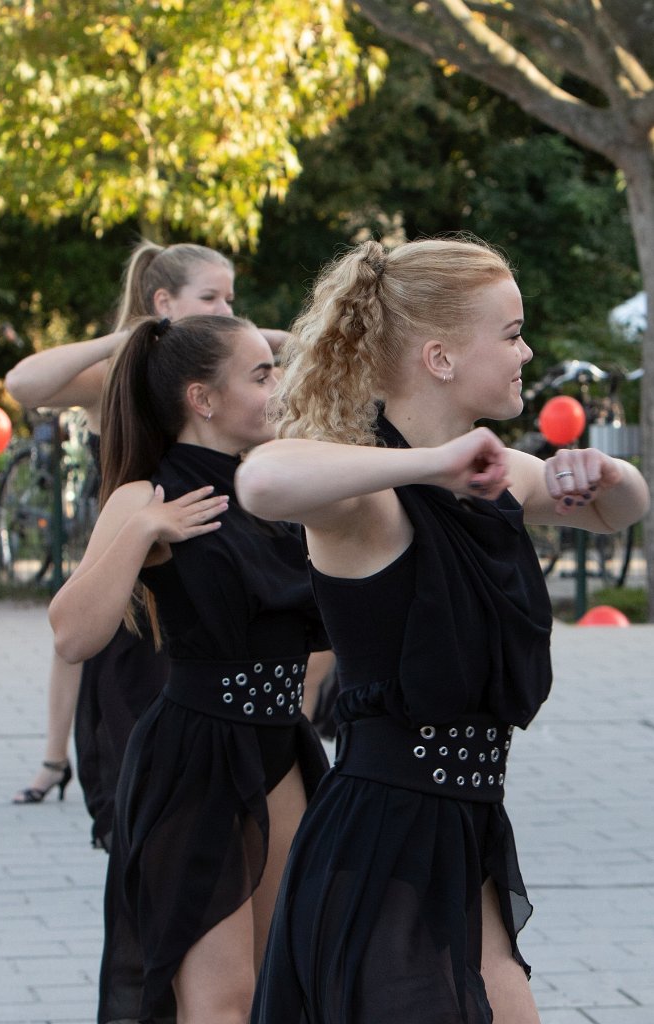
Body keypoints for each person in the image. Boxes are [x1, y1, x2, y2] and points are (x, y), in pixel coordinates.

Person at [235, 236, 650, 1024]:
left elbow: (617, 511)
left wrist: (605, 472)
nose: (526, 349)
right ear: (439, 358)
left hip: (465, 831)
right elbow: (260, 480)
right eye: (510, 332)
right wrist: (427, 466)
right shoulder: (369, 499)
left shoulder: (491, 477)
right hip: (383, 842)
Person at [48, 312, 331, 1023]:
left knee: (283, 985)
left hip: (280, 749)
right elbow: (72, 633)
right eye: (261, 373)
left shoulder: (273, 489)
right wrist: (142, 530)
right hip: (196, 758)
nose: (279, 386)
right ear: (203, 399)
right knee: (219, 1001)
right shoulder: (145, 496)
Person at [6, 239, 292, 841]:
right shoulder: (125, 375)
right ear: (164, 301)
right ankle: (62, 761)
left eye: (229, 298)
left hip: (257, 699)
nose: (221, 307)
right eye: (209, 296)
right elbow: (24, 383)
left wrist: (247, 339)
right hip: (147, 565)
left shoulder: (245, 407)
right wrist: (134, 335)